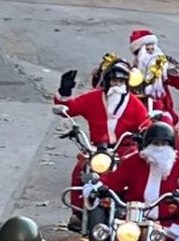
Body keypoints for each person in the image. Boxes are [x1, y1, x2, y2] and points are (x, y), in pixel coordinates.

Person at [57, 59, 150, 222]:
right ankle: (78, 213)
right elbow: (70, 108)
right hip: (96, 150)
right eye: (114, 80)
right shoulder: (93, 98)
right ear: (107, 82)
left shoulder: (135, 104)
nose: (117, 85)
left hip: (125, 149)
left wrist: (143, 135)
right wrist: (65, 91)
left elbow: (146, 125)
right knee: (80, 169)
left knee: (136, 172)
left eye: (121, 81)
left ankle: (133, 210)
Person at [127, 29, 179, 124]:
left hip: (161, 109)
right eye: (147, 50)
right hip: (138, 108)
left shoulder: (163, 68)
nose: (151, 53)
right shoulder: (132, 69)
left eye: (152, 49)